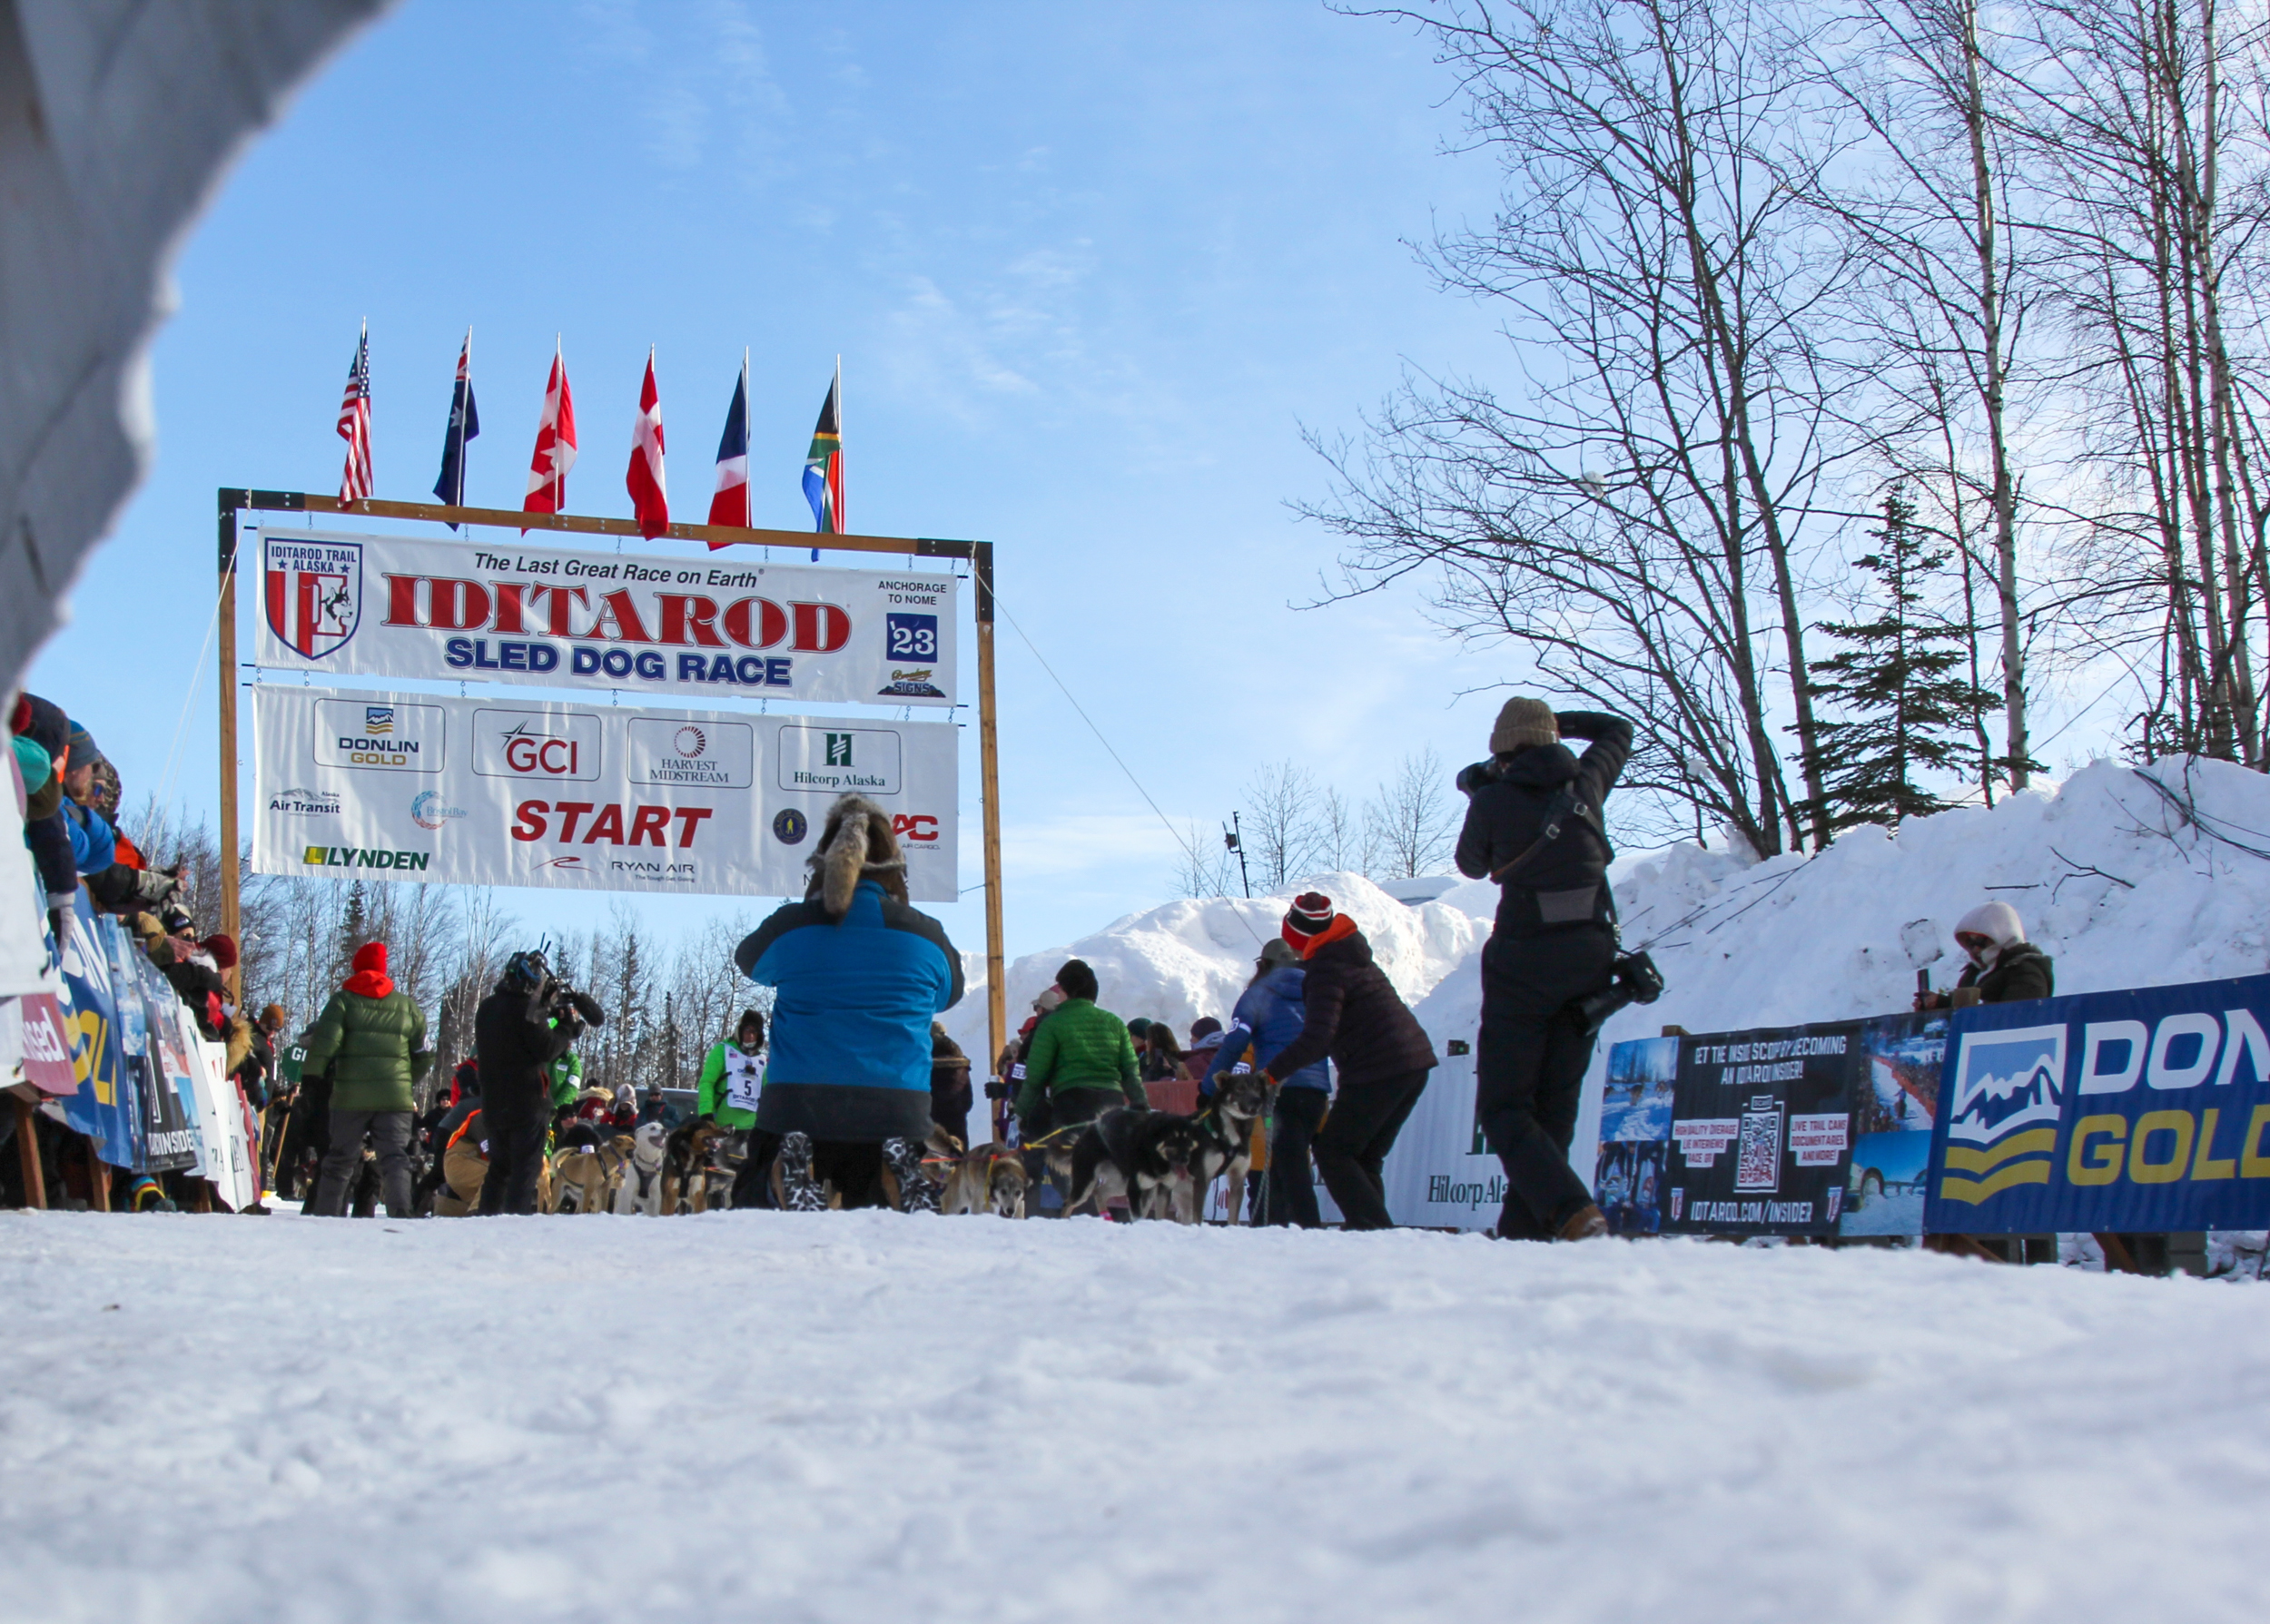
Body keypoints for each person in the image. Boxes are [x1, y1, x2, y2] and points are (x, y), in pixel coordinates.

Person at [1454, 700, 1633, 1242]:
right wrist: (1564, 728)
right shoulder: (1587, 782)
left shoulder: (1494, 800)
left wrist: (1481, 793)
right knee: (1555, 1104)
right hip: (1590, 960)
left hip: (1524, 961)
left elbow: (1471, 865)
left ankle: (1574, 1210)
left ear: (1502, 750)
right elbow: (1617, 729)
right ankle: (1524, 1234)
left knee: (1507, 1107)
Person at [735, 793, 962, 1209]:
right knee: (881, 1216)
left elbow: (748, 961)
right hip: (897, 1106)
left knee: (753, 1206)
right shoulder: (928, 936)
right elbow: (950, 994)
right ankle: (897, 1178)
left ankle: (779, 1183)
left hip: (798, 1102)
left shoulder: (790, 926)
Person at [1258, 893, 1436, 1231]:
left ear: (1298, 936)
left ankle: (1377, 1230)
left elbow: (1318, 1037)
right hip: (1412, 1061)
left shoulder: (1325, 970)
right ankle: (1370, 1232)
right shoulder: (1350, 956)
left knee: (1333, 1152)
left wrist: (1270, 1074)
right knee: (1364, 1156)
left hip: (1378, 1068)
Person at [300, 941, 434, 1218]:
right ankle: (401, 1214)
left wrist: (311, 1077)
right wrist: (405, 1081)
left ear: (357, 967)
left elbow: (325, 1044)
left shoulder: (343, 1002)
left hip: (350, 1096)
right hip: (395, 1098)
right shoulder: (407, 1007)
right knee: (395, 1157)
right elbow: (424, 1054)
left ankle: (327, 1216)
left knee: (339, 1159)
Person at [1211, 937, 1332, 1228]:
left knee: (1272, 1195)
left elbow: (1240, 1064)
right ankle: (1303, 1233)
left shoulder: (1259, 1007)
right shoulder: (1314, 997)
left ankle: (1300, 1234)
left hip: (1269, 1113)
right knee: (1293, 1171)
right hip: (1316, 1094)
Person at [473, 949, 601, 1216]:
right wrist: (565, 1028)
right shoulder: (525, 1010)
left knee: (498, 1170)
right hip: (526, 1102)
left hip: (494, 1102)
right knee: (524, 1171)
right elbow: (545, 1048)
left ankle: (486, 1221)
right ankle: (513, 1223)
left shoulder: (487, 1008)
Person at [1012, 959, 1144, 1141]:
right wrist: (1141, 1106)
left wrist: (1021, 1112)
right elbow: (1130, 1071)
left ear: (1066, 992)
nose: (1058, 997)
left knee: (1070, 1163)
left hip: (1071, 1103)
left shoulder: (1052, 1024)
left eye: (1061, 991)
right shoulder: (1115, 1023)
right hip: (1112, 1103)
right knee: (1110, 1162)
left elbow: (1036, 1075)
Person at [1914, 902, 2054, 1009]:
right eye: (1970, 942)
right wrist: (1935, 1007)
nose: (1975, 948)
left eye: (1980, 941)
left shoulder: (2026, 971)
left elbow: (2015, 1017)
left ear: (2001, 935)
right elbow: (1962, 1017)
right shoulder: (1974, 973)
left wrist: (1946, 1003)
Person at [930, 1021, 972, 1147]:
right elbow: (968, 1100)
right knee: (957, 1158)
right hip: (958, 1124)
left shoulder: (923, 1060)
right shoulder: (960, 1061)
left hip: (931, 1124)